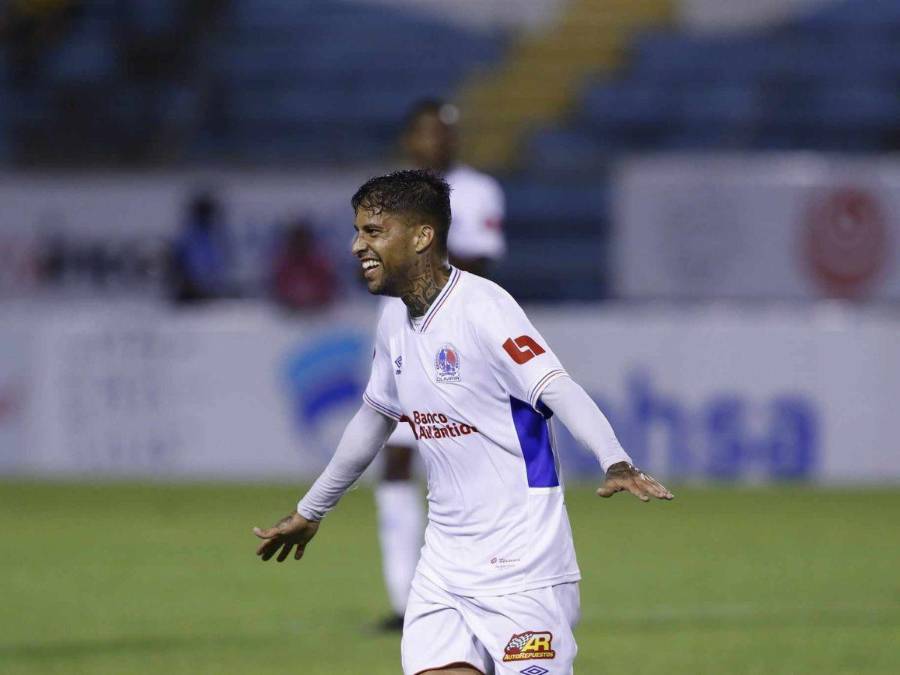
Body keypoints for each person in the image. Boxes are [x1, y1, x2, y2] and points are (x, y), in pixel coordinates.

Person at [253, 170, 673, 674]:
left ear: (422, 237)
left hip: (522, 569)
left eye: (373, 231)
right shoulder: (394, 320)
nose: (356, 246)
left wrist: (615, 460)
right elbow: (375, 417)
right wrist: (312, 509)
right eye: (358, 231)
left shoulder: (484, 309)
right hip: (443, 569)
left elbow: (555, 386)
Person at [373, 100, 507, 630]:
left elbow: (481, 262)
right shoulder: (386, 195)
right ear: (410, 139)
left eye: (444, 132)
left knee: (466, 463)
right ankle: (406, 602)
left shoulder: (478, 191)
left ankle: (484, 588)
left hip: (459, 342)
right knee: (396, 462)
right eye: (427, 132)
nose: (436, 141)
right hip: (401, 339)